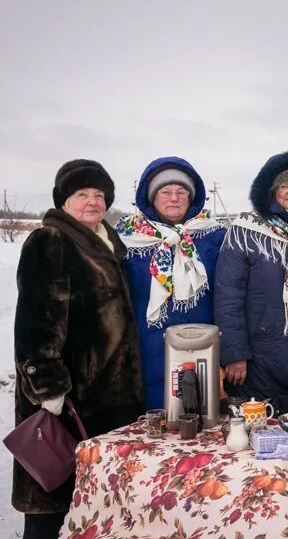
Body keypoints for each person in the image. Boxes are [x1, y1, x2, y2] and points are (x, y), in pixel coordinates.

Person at [13, 160, 144, 538]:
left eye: (99, 195)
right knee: (54, 496)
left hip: (110, 399)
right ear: (64, 200)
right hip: (69, 401)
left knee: (95, 502)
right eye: (82, 194)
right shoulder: (50, 241)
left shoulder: (108, 243)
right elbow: (36, 322)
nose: (92, 202)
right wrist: (48, 388)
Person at [215, 150, 288, 416]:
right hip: (259, 356)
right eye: (285, 186)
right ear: (272, 191)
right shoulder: (246, 230)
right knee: (259, 434)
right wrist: (234, 353)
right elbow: (228, 295)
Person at [116, 157, 226, 409]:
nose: (173, 197)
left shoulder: (215, 236)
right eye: (165, 192)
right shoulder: (127, 240)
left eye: (181, 191)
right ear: (151, 197)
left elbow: (229, 295)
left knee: (203, 426)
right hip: (148, 352)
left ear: (192, 197)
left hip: (204, 349)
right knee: (155, 429)